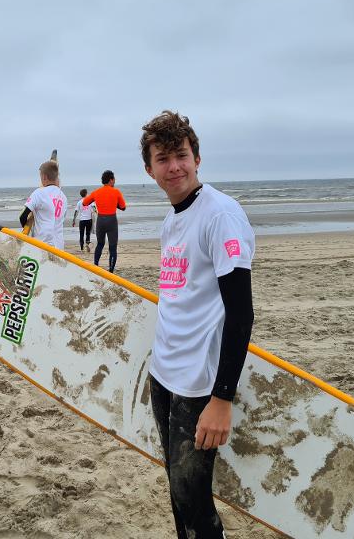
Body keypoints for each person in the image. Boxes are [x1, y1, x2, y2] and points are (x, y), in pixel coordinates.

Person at [141, 111, 255, 539]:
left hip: (199, 384)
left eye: (182, 156)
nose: (174, 167)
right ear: (149, 170)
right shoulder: (171, 221)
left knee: (193, 496)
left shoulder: (221, 215)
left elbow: (241, 313)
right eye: (163, 159)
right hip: (164, 375)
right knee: (177, 489)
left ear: (198, 158)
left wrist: (222, 397)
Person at [82, 170, 126, 273]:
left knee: (100, 244)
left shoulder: (97, 192)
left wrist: (95, 200)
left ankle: (96, 267)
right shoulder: (116, 192)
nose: (114, 181)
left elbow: (84, 203)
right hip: (111, 221)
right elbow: (123, 207)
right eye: (114, 179)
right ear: (111, 180)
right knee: (112, 246)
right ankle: (110, 271)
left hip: (100, 221)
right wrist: (114, 204)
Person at [19, 161, 68, 250]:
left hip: (42, 243)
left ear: (44, 177)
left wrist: (27, 227)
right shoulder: (63, 197)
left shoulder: (39, 192)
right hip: (59, 245)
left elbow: (22, 216)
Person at [71, 188, 95, 252]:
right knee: (88, 234)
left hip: (82, 221)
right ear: (86, 194)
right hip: (89, 220)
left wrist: (74, 220)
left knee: (81, 234)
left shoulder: (79, 202)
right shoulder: (90, 201)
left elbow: (76, 212)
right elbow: (94, 209)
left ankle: (81, 249)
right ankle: (87, 246)